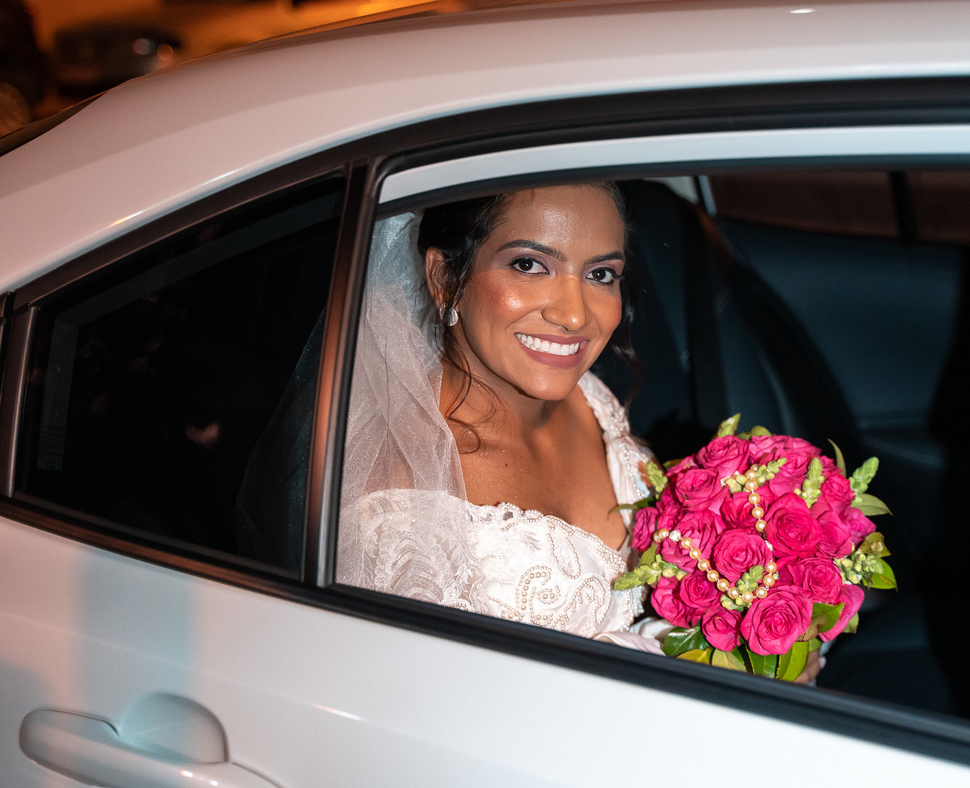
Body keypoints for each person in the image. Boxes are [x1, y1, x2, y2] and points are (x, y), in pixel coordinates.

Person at [336, 182, 820, 679]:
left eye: (600, 274)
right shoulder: (400, 504)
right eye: (529, 265)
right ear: (442, 277)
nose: (573, 315)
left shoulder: (589, 397)